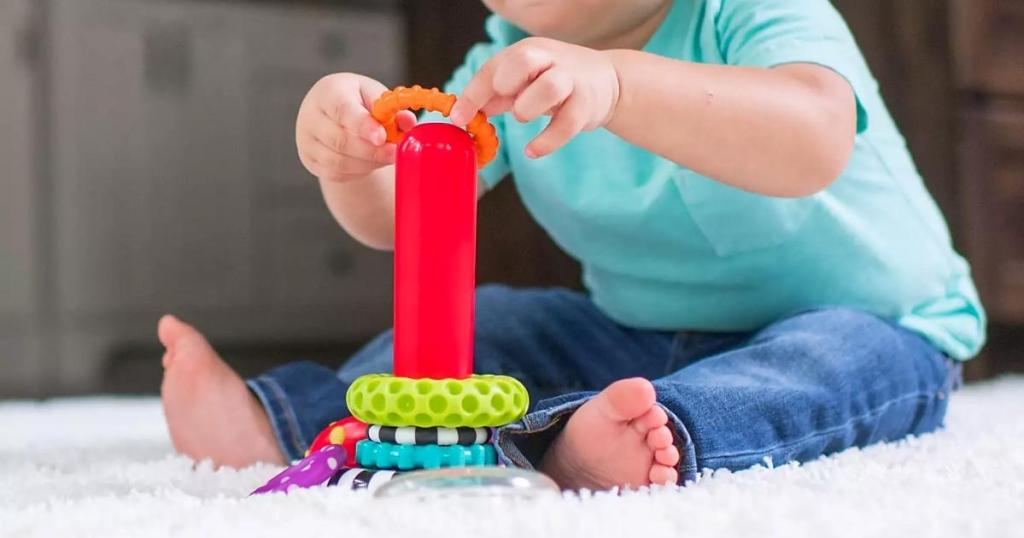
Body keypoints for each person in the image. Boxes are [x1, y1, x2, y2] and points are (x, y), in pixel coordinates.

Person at [158, 0, 982, 489]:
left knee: (828, 361)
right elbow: (398, 218)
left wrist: (619, 82)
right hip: (634, 333)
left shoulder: (754, 12)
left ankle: (638, 440)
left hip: (873, 319)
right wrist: (350, 157)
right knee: (493, 323)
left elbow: (815, 140)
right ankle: (288, 422)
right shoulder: (500, 70)